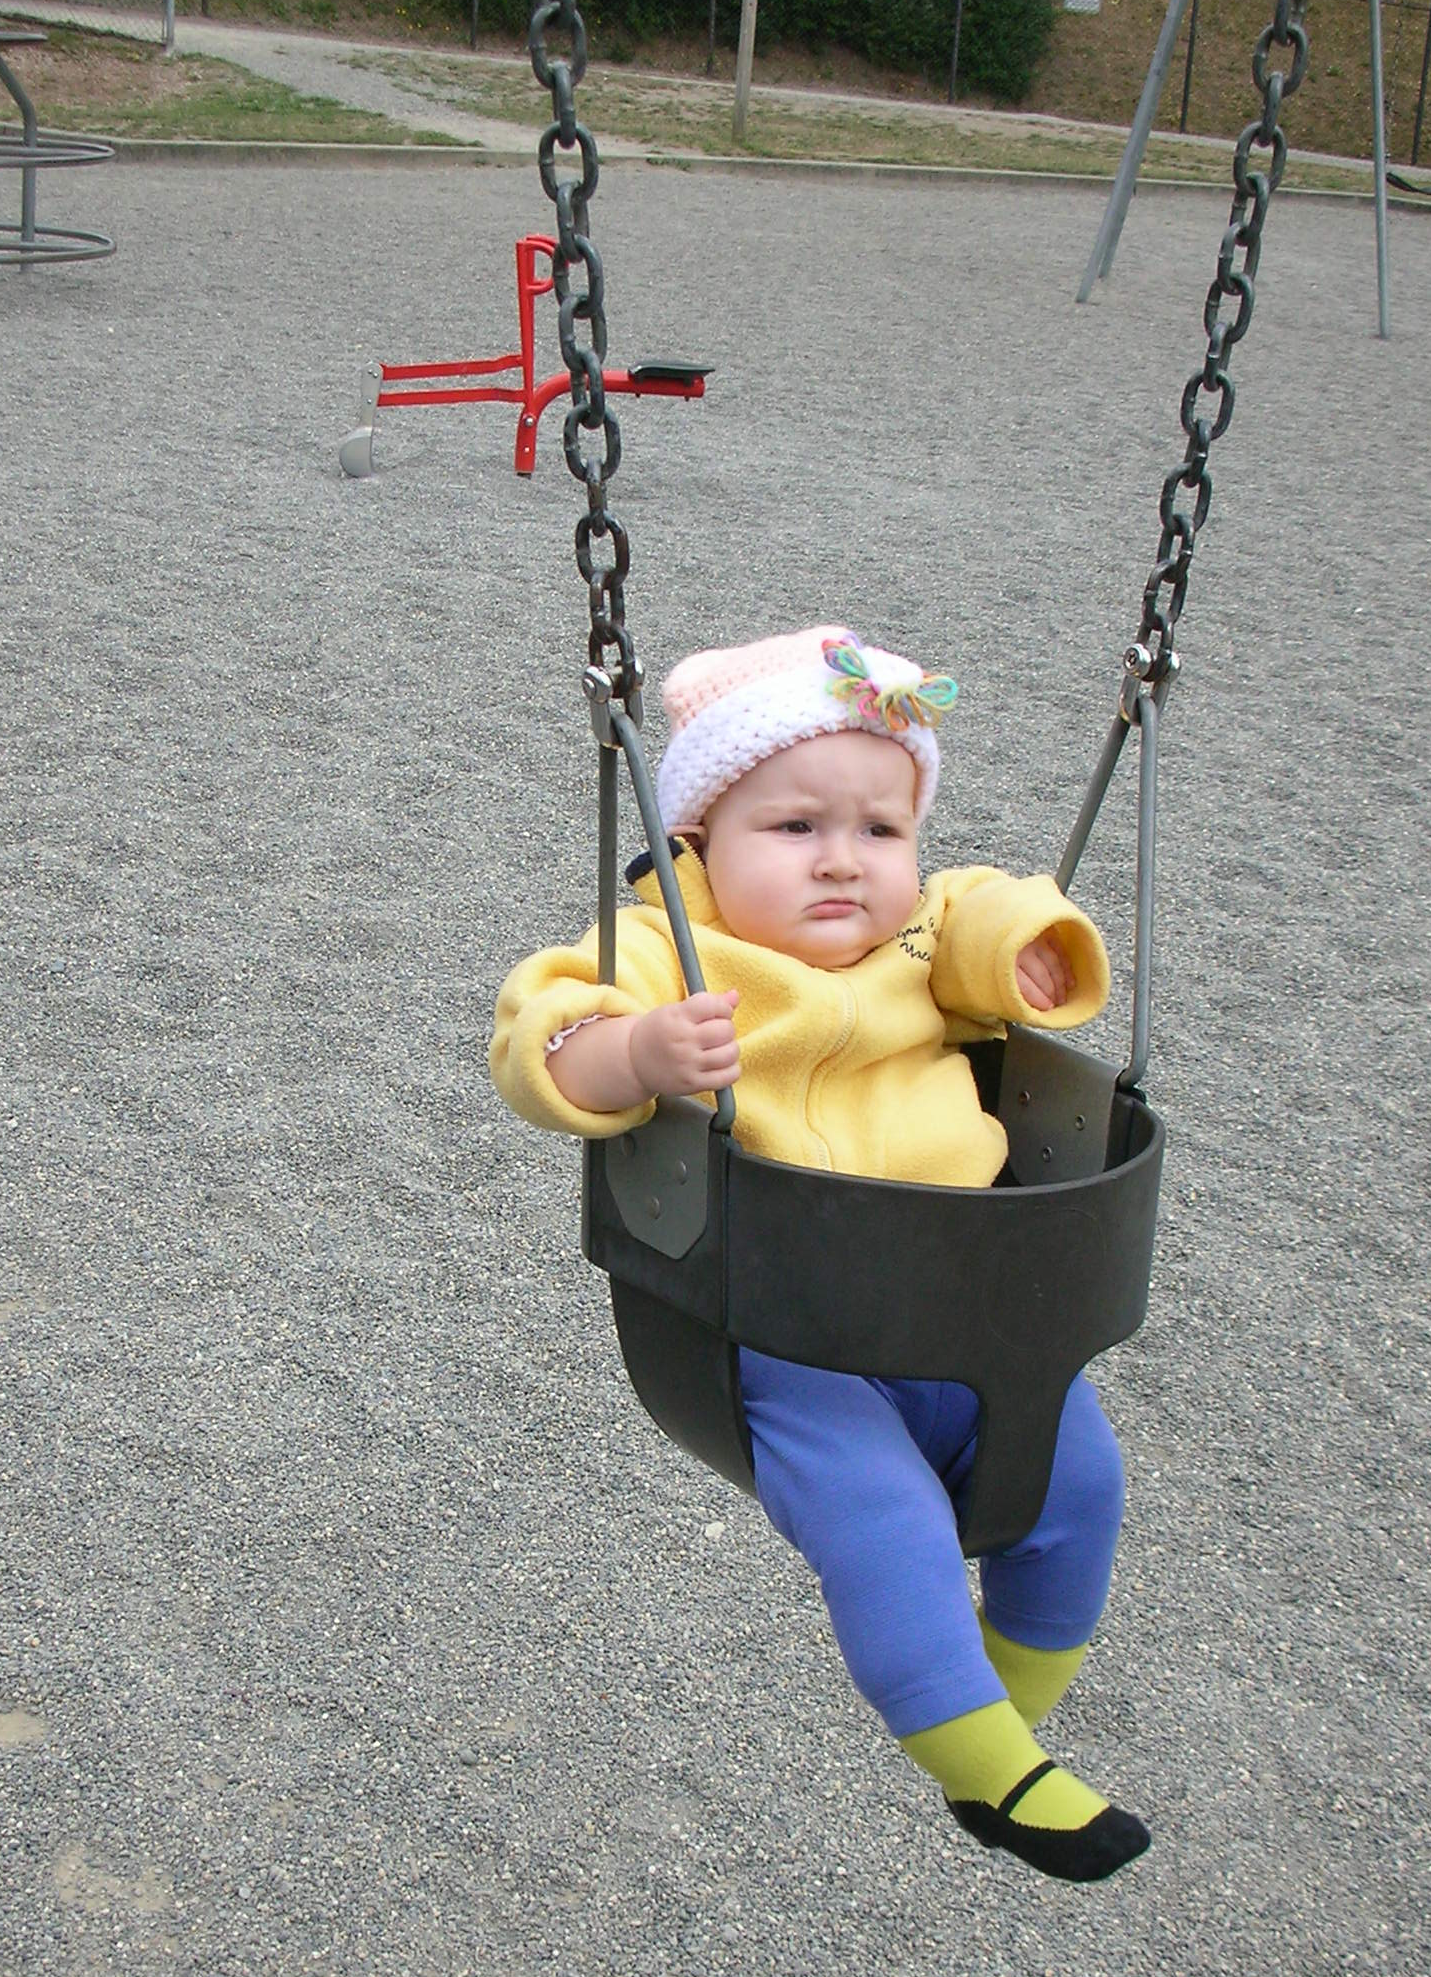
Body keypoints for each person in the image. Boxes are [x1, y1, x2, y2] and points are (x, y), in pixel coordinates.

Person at [491, 627, 1150, 1882]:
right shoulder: (671, 947)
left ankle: (1002, 1722)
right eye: (795, 827)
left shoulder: (923, 942)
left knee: (1081, 1481)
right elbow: (543, 1026)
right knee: (885, 1522)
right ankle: (990, 1765)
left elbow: (991, 911)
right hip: (789, 1335)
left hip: (970, 1310)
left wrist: (1033, 946)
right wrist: (633, 1053)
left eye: (881, 829)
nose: (843, 859)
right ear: (698, 841)